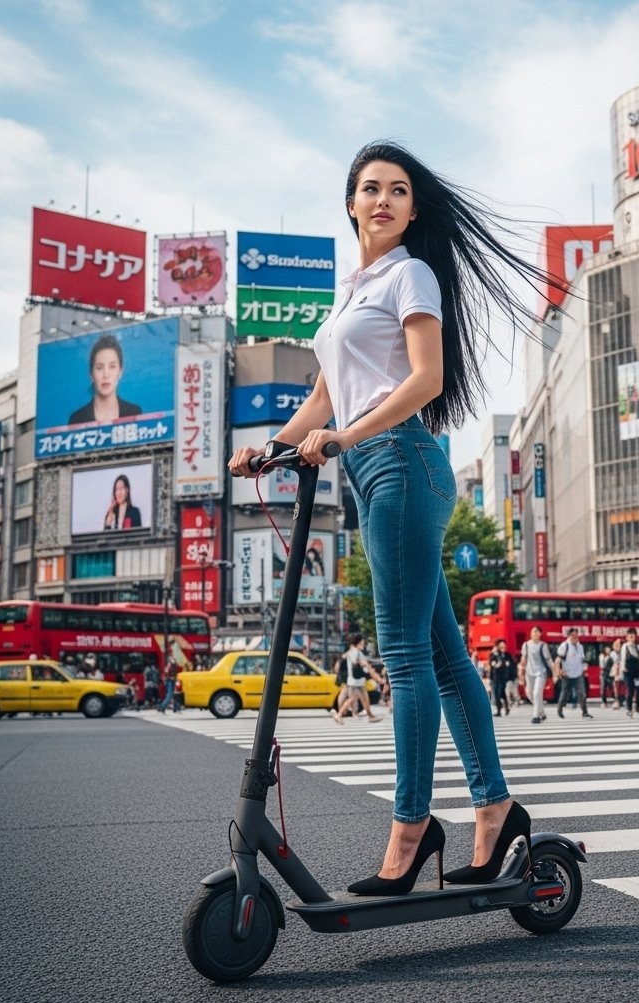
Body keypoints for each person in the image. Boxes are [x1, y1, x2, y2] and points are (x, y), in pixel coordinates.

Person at [229, 142, 555, 895]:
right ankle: (494, 810)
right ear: (350, 203)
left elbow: (427, 378)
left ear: (412, 208)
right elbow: (323, 396)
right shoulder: (350, 291)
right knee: (444, 658)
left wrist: (349, 433)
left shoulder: (411, 273)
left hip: (402, 461)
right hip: (372, 469)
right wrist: (269, 450)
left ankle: (411, 829)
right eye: (370, 188)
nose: (383, 199)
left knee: (405, 658)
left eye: (398, 190)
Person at [68, 334, 142, 425]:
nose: (106, 375)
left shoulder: (134, 413)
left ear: (120, 372)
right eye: (99, 368)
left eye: (112, 366)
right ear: (91, 374)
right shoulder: (77, 419)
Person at [332, 634, 383, 723]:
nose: (363, 643)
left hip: (357, 681)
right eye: (362, 642)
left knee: (365, 698)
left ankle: (370, 716)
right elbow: (355, 661)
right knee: (352, 698)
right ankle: (339, 714)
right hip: (355, 681)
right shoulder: (355, 651)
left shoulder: (353, 651)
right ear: (358, 642)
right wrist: (363, 663)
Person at [555, 627, 591, 718]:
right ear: (569, 636)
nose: (575, 637)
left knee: (582, 694)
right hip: (567, 674)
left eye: (576, 635)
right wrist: (559, 671)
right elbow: (558, 659)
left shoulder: (580, 646)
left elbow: (582, 659)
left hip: (578, 674)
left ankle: (585, 712)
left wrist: (584, 666)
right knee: (564, 694)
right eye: (573, 635)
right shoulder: (564, 646)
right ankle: (559, 710)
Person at [519, 625, 551, 724]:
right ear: (531, 633)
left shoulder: (543, 645)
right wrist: (521, 672)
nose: (535, 633)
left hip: (541, 672)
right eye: (533, 631)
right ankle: (542, 712)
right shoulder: (526, 645)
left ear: (540, 634)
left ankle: (536, 716)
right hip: (529, 672)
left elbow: (548, 659)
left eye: (537, 632)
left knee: (537, 693)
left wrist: (554, 672)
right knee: (529, 694)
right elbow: (523, 659)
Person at [620, 628, 639, 719]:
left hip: (637, 671)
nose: (631, 637)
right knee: (630, 690)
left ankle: (638, 709)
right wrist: (622, 671)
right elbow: (622, 659)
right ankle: (629, 710)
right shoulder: (625, 646)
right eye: (629, 635)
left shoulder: (638, 647)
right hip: (628, 671)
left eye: (633, 635)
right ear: (627, 637)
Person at [488, 639, 517, 717]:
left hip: (503, 678)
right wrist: (495, 664)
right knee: (502, 694)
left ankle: (499, 709)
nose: (503, 648)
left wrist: (508, 664)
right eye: (501, 646)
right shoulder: (494, 654)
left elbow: (512, 663)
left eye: (504, 646)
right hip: (495, 677)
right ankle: (506, 707)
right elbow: (491, 663)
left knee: (498, 693)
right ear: (497, 646)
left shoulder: (507, 655)